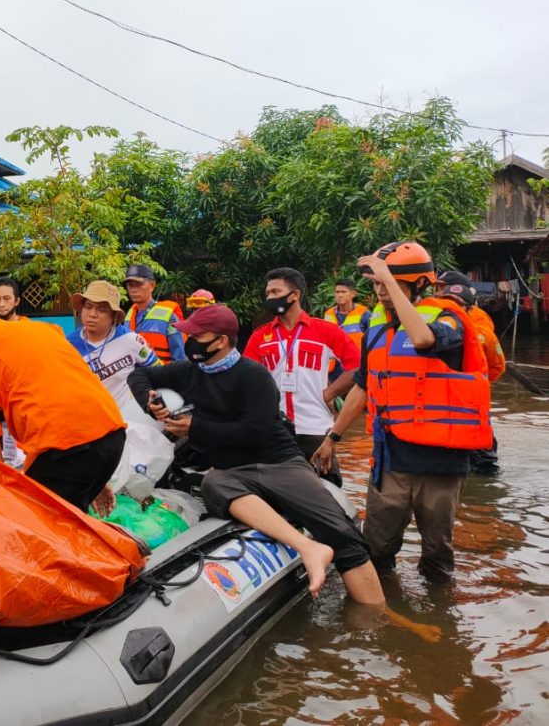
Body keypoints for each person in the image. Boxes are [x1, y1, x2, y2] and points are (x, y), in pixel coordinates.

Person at [128, 304, 385, 603]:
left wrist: (195, 428)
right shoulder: (188, 372)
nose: (190, 341)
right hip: (234, 473)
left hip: (280, 464)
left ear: (221, 341)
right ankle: (307, 547)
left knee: (342, 533)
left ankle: (376, 617)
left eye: (198, 335)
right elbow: (140, 375)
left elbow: (254, 432)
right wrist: (150, 401)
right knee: (213, 484)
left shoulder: (254, 376)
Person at [314, 242, 492, 584]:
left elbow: (424, 340)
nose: (381, 292)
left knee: (437, 556)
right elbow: (363, 388)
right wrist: (332, 438)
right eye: (377, 285)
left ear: (420, 284)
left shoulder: (448, 320)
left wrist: (390, 282)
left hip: (441, 461)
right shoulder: (377, 331)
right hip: (392, 458)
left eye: (389, 283)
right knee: (377, 547)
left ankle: (442, 623)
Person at [0, 300, 126, 510]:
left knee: (37, 526)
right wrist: (93, 477)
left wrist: (3, 493)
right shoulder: (42, 329)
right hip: (111, 436)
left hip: (65, 448)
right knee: (72, 529)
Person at [243, 267, 359, 486]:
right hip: (274, 429)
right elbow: (247, 379)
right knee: (276, 491)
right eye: (268, 293)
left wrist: (330, 393)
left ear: (295, 294)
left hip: (315, 428)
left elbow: (358, 366)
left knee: (326, 491)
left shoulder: (326, 331)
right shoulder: (261, 336)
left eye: (276, 292)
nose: (270, 297)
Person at [436, 270, 505, 475]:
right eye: (438, 287)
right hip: (441, 400)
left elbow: (496, 366)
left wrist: (474, 384)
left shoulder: (480, 327)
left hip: (469, 401)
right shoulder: (432, 314)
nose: (438, 292)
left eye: (442, 287)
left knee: (483, 462)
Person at [67, 280, 159, 404]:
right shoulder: (67, 345)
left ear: (114, 316)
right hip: (87, 419)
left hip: (127, 420)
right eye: (88, 307)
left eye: (102, 309)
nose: (93, 314)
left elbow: (159, 372)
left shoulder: (130, 340)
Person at [122, 264, 185, 362]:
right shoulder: (128, 316)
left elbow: (180, 357)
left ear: (152, 285)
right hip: (134, 376)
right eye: (130, 285)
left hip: (161, 375)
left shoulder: (169, 316)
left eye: (139, 284)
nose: (133, 289)